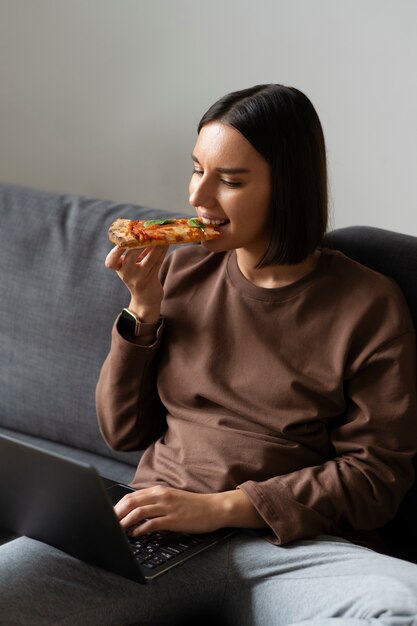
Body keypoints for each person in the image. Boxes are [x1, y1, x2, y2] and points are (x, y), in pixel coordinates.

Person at [1, 84, 417, 626]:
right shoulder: (181, 269)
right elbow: (123, 432)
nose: (200, 199)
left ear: (287, 188)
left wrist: (221, 507)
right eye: (198, 170)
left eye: (231, 181)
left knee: (400, 606)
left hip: (288, 545)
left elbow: (375, 477)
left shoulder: (368, 304)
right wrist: (142, 310)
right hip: (155, 530)